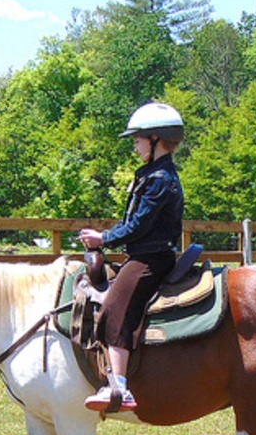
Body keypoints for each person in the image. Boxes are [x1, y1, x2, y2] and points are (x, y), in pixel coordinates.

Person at [78, 101, 185, 412]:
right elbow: (134, 223)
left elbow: (139, 225)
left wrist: (103, 238)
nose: (135, 145)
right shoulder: (152, 174)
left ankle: (119, 387)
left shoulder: (159, 179)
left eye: (138, 139)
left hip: (150, 259)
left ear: (155, 139)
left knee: (114, 309)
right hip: (145, 253)